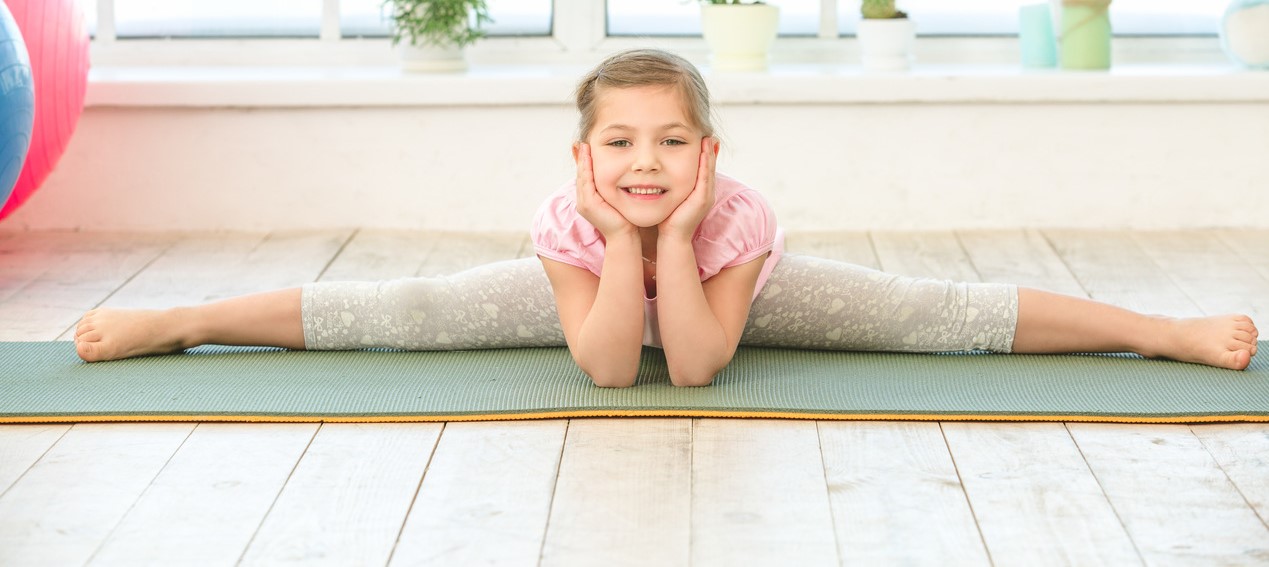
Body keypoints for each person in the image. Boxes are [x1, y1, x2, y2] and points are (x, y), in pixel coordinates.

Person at [74, 49, 1259, 387]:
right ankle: (184, 319)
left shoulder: (732, 214)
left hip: (727, 288)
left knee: (928, 312)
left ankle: (1158, 330)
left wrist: (679, 237)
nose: (648, 161)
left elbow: (690, 366)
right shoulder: (568, 217)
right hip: (593, 288)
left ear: (709, 152)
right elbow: (606, 367)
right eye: (622, 144)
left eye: (672, 141)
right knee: (407, 309)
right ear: (584, 157)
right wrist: (617, 243)